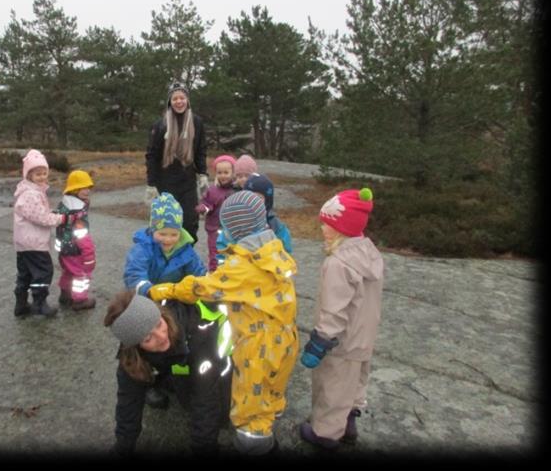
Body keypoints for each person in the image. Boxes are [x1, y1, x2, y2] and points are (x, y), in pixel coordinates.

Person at [149, 190, 299, 456]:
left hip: (258, 347)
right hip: (285, 340)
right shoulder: (271, 251)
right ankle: (265, 429)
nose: (220, 233)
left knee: (249, 406)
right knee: (270, 394)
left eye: (224, 228)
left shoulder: (243, 267)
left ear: (237, 229)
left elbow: (203, 287)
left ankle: (254, 443)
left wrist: (166, 290)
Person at [298, 187, 384, 450]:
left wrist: (320, 340)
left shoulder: (338, 264)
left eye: (327, 225)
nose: (322, 229)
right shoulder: (369, 252)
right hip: (364, 337)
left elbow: (334, 310)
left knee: (332, 386)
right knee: (356, 380)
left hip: (340, 342)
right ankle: (349, 422)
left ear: (341, 228)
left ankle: (325, 434)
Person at [104, 290, 233, 457]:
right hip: (180, 361)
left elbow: (205, 402)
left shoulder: (197, 332)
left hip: (220, 359)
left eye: (158, 324)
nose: (161, 336)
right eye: (148, 339)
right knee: (144, 376)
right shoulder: (130, 355)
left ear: (162, 315)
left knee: (216, 411)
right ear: (135, 347)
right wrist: (123, 447)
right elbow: (127, 401)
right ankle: (158, 380)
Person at [123, 191, 208, 409]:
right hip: (146, 302)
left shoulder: (185, 250)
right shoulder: (142, 249)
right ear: (153, 230)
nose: (168, 240)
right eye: (163, 234)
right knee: (144, 342)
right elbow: (134, 275)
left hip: (174, 303)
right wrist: (149, 291)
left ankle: (174, 371)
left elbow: (199, 273)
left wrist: (205, 286)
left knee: (178, 337)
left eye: (173, 234)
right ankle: (149, 380)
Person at [145, 82, 208, 243]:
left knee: (189, 221)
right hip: (164, 181)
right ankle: (165, 257)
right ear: (170, 102)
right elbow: (151, 155)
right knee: (165, 222)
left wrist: (203, 174)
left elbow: (200, 150)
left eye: (182, 98)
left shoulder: (197, 122)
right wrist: (151, 184)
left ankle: (186, 255)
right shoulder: (160, 125)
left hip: (187, 180)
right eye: (175, 99)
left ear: (187, 100)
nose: (179, 102)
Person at [13, 149, 68, 318]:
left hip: (24, 243)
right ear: (28, 175)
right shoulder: (31, 194)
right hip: (33, 243)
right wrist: (60, 219)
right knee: (43, 272)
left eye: (44, 173)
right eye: (38, 174)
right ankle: (39, 304)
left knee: (26, 273)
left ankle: (21, 304)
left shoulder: (31, 192)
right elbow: (40, 217)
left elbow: (37, 212)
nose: (42, 177)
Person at [54, 169, 96, 311]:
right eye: (83, 188)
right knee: (81, 275)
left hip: (64, 250)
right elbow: (82, 235)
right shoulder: (78, 212)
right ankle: (80, 300)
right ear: (74, 190)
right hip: (75, 250)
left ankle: (65, 295)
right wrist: (89, 255)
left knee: (68, 271)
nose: (87, 191)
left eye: (88, 187)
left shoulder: (65, 205)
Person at [195, 154, 237, 271]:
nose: (222, 175)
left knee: (232, 251)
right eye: (219, 172)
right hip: (215, 228)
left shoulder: (237, 190)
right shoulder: (213, 190)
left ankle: (231, 272)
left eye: (226, 172)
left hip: (232, 229)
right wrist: (203, 208)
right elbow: (208, 204)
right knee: (215, 251)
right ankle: (214, 272)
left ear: (233, 172)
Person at [243, 173, 293, 255]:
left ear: (267, 201)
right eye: (250, 196)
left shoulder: (275, 226)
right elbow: (224, 244)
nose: (254, 201)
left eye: (259, 198)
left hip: (268, 264)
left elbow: (286, 251)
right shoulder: (236, 221)